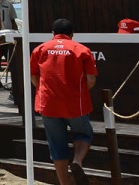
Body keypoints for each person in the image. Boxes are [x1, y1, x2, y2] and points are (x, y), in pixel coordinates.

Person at [30, 19, 98, 185]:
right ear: (72, 34)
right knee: (83, 134)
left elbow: (34, 78)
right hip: (75, 103)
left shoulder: (40, 49)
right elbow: (91, 80)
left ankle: (64, 183)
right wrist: (79, 93)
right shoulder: (82, 50)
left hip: (48, 103)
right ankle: (77, 160)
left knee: (57, 146)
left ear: (53, 33)